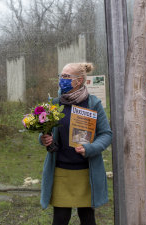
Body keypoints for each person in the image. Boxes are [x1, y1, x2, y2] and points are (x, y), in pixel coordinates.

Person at [39, 62, 112, 225]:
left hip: (86, 173)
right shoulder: (55, 103)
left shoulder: (93, 104)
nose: (61, 80)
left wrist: (90, 148)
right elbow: (45, 132)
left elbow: (106, 134)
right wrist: (44, 138)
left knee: (87, 219)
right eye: (61, 76)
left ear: (79, 81)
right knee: (60, 219)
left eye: (66, 76)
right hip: (61, 171)